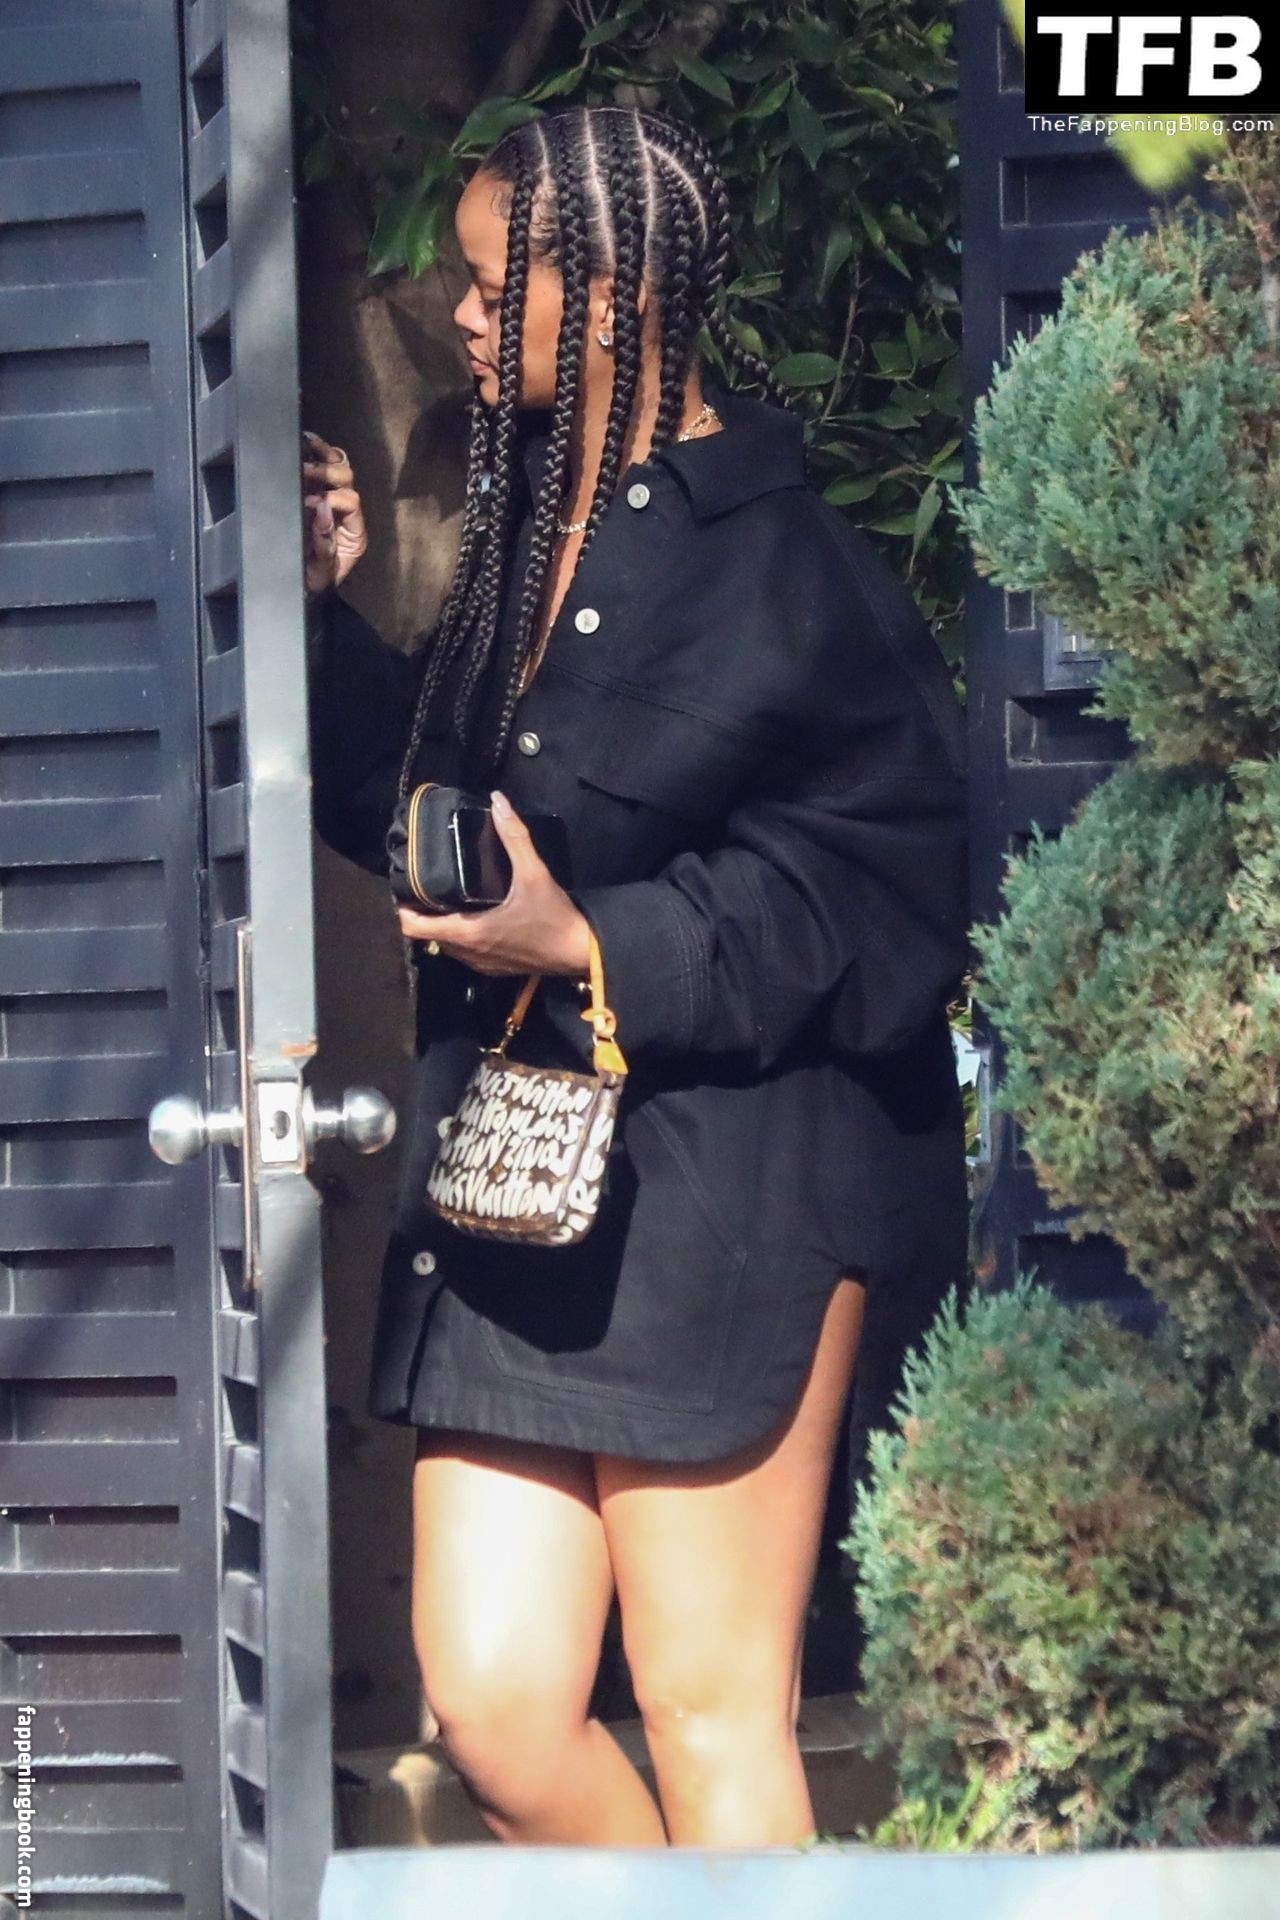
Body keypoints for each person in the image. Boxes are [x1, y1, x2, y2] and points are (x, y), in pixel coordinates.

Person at [302, 102, 969, 1849]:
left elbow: (890, 892)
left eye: (488, 283)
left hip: (733, 1194)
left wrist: (596, 944)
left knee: (707, 1706)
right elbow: (441, 827)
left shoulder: (789, 568)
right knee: (499, 1710)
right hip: (527, 1195)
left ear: (604, 299)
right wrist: (317, 612)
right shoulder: (537, 543)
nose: (461, 316)